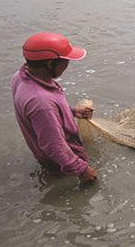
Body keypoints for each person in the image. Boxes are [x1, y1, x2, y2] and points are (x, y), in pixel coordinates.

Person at [11, 32, 98, 182]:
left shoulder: (21, 77)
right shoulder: (41, 102)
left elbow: (45, 115)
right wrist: (82, 170)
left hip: (45, 154)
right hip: (61, 162)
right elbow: (53, 145)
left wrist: (72, 111)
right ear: (50, 64)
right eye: (65, 61)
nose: (67, 65)